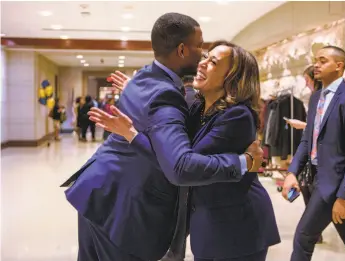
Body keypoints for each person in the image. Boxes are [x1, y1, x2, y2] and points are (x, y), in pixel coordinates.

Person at [61, 13, 263, 261]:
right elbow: (179, 165)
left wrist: (133, 132)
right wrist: (243, 162)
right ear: (181, 50)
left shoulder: (147, 76)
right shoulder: (166, 95)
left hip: (100, 191)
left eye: (211, 59)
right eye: (200, 48)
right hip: (123, 208)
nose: (201, 57)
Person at [94, 41, 281, 261]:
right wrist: (136, 93)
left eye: (213, 62)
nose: (202, 64)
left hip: (238, 226)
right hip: (210, 222)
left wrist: (131, 135)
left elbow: (182, 165)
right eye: (205, 57)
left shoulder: (237, 116)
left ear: (233, 77)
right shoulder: (198, 106)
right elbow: (165, 118)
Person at [282, 45, 345, 261]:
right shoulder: (317, 97)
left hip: (334, 184)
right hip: (316, 177)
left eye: (322, 60)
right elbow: (308, 139)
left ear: (339, 65)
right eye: (316, 60)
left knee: (303, 237)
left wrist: (343, 197)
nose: (316, 65)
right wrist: (291, 172)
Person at [285, 65, 324, 243]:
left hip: (322, 160)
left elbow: (321, 129)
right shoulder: (315, 99)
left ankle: (311, 229)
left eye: (308, 80)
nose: (306, 84)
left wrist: (302, 125)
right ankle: (311, 230)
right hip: (311, 156)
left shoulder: (327, 99)